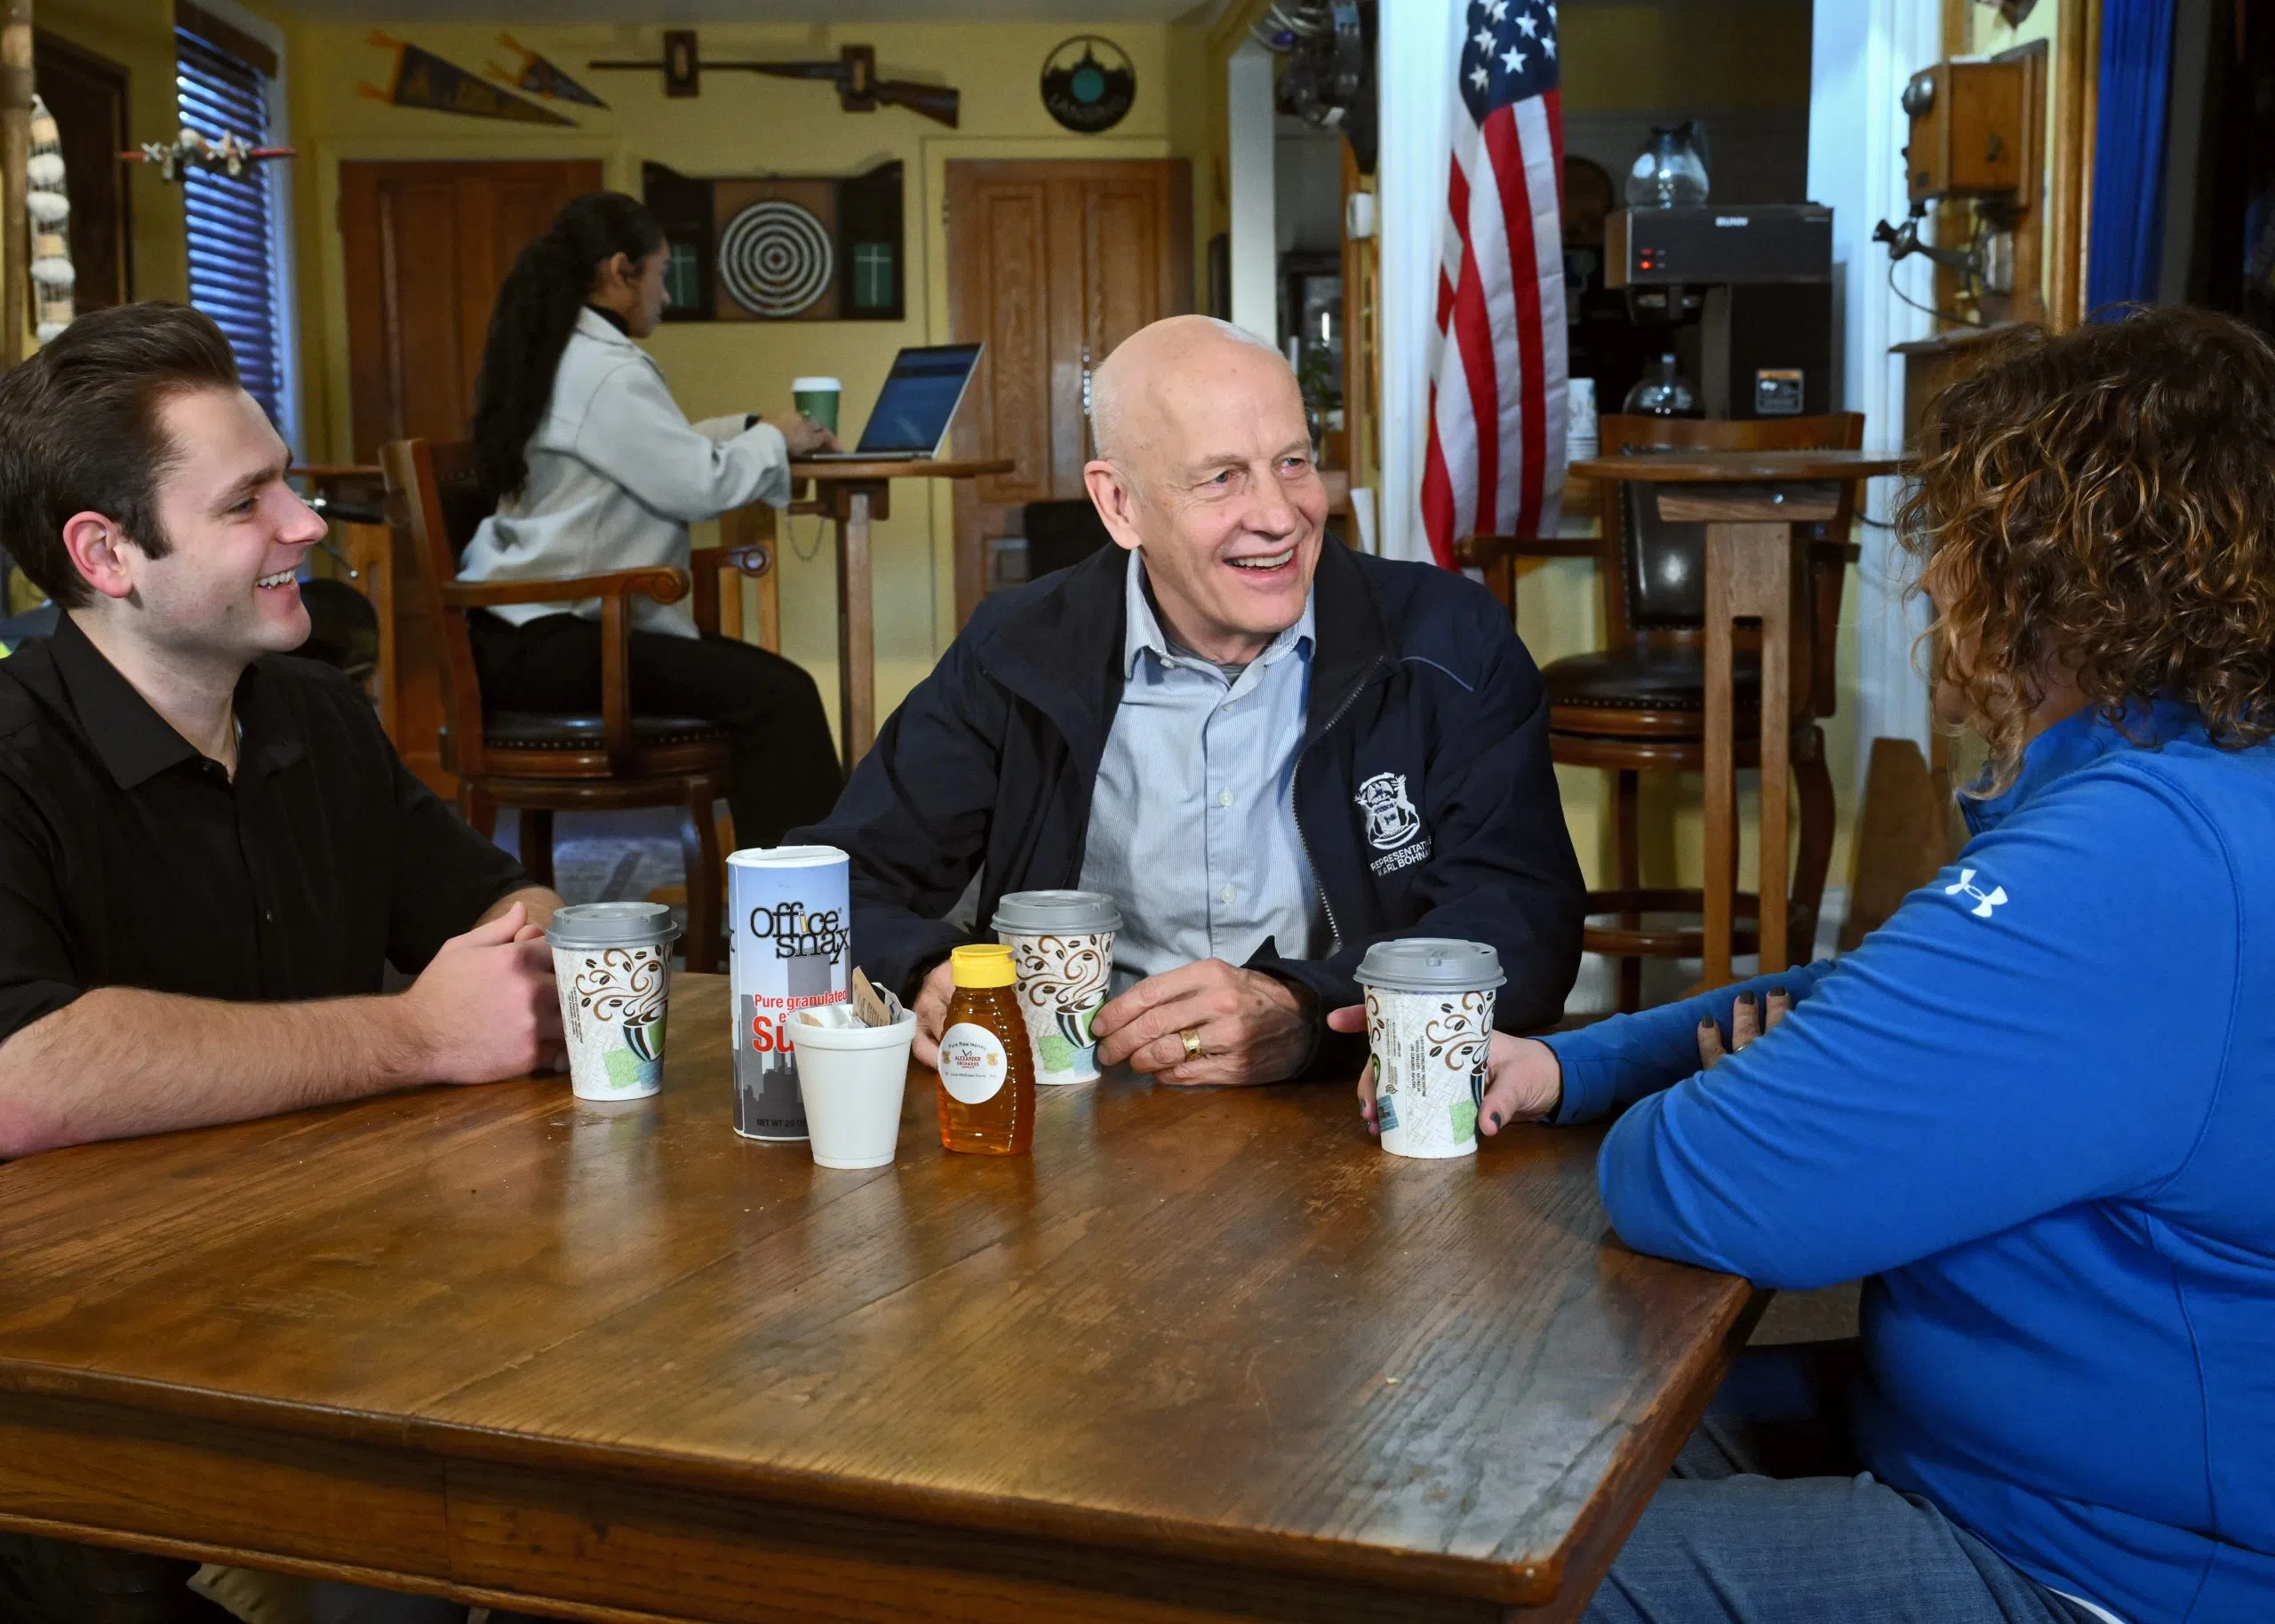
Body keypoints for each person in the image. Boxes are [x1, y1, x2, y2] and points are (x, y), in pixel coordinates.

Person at [1345, 306, 2275, 1624]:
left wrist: (1723, 1096)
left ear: (2057, 568)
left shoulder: (2139, 851)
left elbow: (1695, 1182)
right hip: (1996, 1457)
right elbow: (1882, 999)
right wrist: (1570, 1064)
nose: (1931, 580)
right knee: (1491, 1439)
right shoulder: (2201, 792)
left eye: (1956, 537)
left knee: (1428, 1575)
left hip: (2096, 1567)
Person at [0, 303, 567, 1622]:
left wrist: (528, 945)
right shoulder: (12, 763)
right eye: (246, 501)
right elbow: (23, 1073)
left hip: (339, 1293)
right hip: (80, 1367)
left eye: (289, 484)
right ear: (105, 554)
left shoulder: (313, 711)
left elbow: (497, 904)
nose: (307, 524)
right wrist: (420, 1035)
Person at [798, 314, 1584, 1086]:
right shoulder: (1016, 651)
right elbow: (833, 889)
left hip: (1351, 1100)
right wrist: (925, 971)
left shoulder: (1450, 640)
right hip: (1079, 1104)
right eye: (1222, 478)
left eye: (1293, 462)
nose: (1278, 517)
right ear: (1120, 504)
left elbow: (1524, 925)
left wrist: (1306, 1009)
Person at [457, 191, 843, 849]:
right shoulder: (604, 371)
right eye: (661, 273)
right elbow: (697, 485)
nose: (665, 294)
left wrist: (756, 430)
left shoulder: (568, 355)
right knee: (780, 698)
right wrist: (774, 439)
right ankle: (801, 898)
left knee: (778, 690)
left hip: (527, 638)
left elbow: (656, 452)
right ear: (620, 271)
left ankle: (789, 889)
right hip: (557, 643)